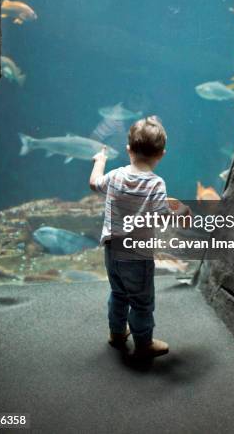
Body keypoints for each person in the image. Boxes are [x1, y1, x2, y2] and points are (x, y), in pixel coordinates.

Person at [89, 115, 190, 359]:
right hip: (137, 255)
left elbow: (94, 183)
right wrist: (184, 212)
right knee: (142, 302)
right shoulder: (156, 184)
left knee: (118, 294)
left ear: (128, 149)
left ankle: (116, 333)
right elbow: (164, 214)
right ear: (162, 154)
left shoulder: (114, 176)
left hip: (112, 250)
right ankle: (143, 343)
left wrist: (100, 161)